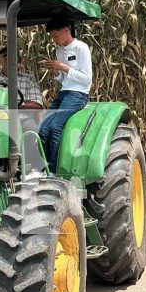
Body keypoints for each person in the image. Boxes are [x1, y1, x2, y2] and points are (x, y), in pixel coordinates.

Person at [38, 16, 92, 174]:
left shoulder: (81, 48)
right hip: (64, 92)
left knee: (55, 127)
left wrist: (64, 67)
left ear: (67, 31)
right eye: (52, 37)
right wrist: (55, 70)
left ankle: (54, 170)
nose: (54, 40)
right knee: (42, 128)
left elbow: (87, 79)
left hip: (79, 94)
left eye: (56, 36)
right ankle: (43, 168)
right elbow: (62, 80)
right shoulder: (59, 50)